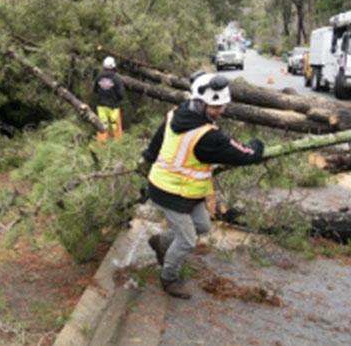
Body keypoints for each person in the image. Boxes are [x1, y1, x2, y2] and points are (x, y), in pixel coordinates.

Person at [138, 72, 264, 299]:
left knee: (203, 226)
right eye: (214, 106)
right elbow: (246, 155)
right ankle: (169, 278)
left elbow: (155, 144)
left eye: (222, 106)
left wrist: (147, 158)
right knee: (187, 240)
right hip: (170, 192)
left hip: (185, 191)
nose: (219, 111)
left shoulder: (177, 112)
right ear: (200, 101)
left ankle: (161, 242)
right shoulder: (208, 136)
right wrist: (258, 145)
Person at [93, 56, 125, 143]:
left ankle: (101, 145)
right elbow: (121, 94)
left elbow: (95, 90)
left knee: (102, 126)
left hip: (101, 106)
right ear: (113, 66)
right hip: (113, 107)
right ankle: (117, 144)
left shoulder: (99, 77)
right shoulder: (117, 78)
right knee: (116, 126)